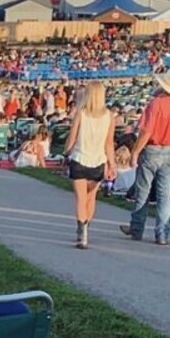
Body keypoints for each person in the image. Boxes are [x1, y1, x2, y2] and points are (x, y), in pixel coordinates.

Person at [120, 67, 170, 246]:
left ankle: (137, 228)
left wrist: (135, 152)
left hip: (153, 148)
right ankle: (162, 233)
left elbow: (146, 131)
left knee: (143, 191)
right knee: (164, 193)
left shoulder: (156, 104)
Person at [65, 81, 115, 249]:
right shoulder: (109, 116)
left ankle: (82, 234)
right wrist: (112, 164)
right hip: (98, 160)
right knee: (90, 198)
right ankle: (87, 228)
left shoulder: (81, 113)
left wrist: (66, 152)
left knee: (80, 199)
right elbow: (109, 143)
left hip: (80, 158)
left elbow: (72, 138)